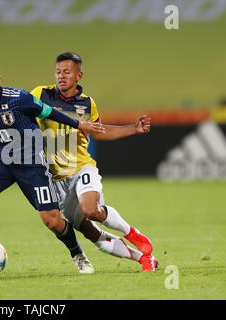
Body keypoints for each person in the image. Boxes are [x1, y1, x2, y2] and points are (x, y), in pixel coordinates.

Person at [0, 57, 104, 273]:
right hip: (3, 159)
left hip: (32, 163)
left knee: (53, 221)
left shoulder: (19, 98)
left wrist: (79, 124)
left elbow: (49, 112)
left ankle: (77, 254)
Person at [31, 52, 158, 272]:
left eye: (67, 72)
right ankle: (144, 259)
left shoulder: (87, 104)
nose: (61, 76)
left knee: (91, 209)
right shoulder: (41, 94)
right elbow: (17, 107)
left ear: (78, 75)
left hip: (82, 168)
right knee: (89, 231)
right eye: (58, 72)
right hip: (55, 179)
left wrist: (133, 128)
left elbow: (100, 132)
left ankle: (131, 232)